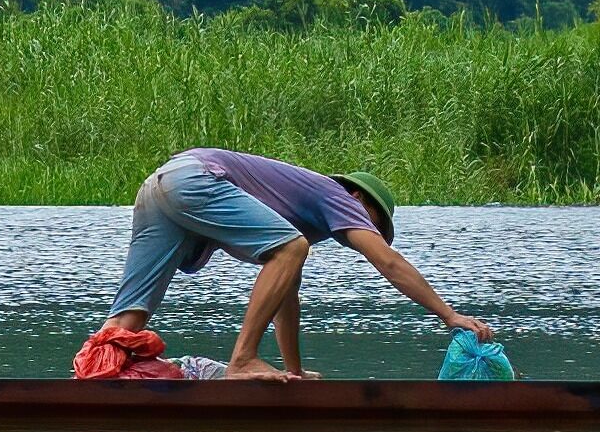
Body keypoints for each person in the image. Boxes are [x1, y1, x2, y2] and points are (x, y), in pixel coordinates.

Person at [112, 146, 487, 377]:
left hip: (162, 180)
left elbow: (285, 299)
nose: (365, 230)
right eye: (372, 221)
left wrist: (294, 374)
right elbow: (388, 262)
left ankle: (98, 371)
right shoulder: (336, 195)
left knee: (131, 311)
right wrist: (448, 314)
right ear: (357, 197)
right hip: (196, 177)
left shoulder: (293, 223)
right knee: (292, 248)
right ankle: (243, 359)